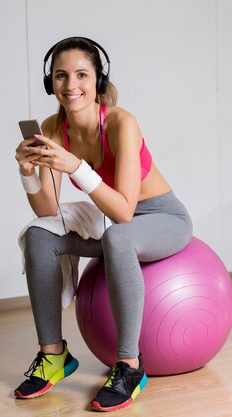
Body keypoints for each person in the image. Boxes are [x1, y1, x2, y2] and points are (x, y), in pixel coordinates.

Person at [13, 36, 192, 411]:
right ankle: (54, 355)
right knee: (39, 233)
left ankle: (129, 365)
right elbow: (48, 210)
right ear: (51, 83)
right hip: (111, 221)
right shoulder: (52, 126)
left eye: (81, 74)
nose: (70, 85)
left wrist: (75, 166)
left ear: (98, 79)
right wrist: (28, 172)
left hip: (160, 217)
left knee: (120, 238)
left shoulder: (121, 123)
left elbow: (126, 211)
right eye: (61, 76)